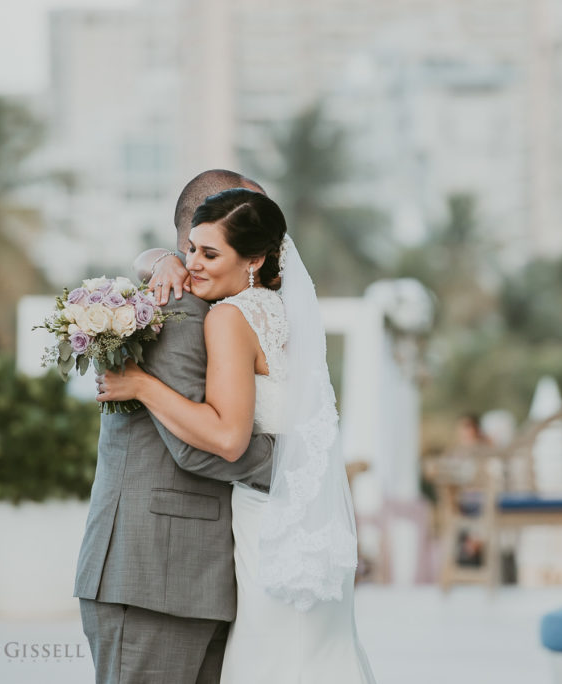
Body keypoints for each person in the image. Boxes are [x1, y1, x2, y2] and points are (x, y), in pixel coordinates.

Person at [96, 188, 376, 683]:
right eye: (189, 250)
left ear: (255, 258)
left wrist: (142, 384)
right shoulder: (284, 313)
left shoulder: (229, 317)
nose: (192, 266)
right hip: (308, 527)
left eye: (209, 253)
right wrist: (162, 259)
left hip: (267, 527)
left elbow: (228, 438)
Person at [74, 170, 275, 684]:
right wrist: (298, 461)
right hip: (149, 574)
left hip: (190, 575)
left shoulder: (225, 310)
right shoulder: (178, 310)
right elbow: (197, 449)